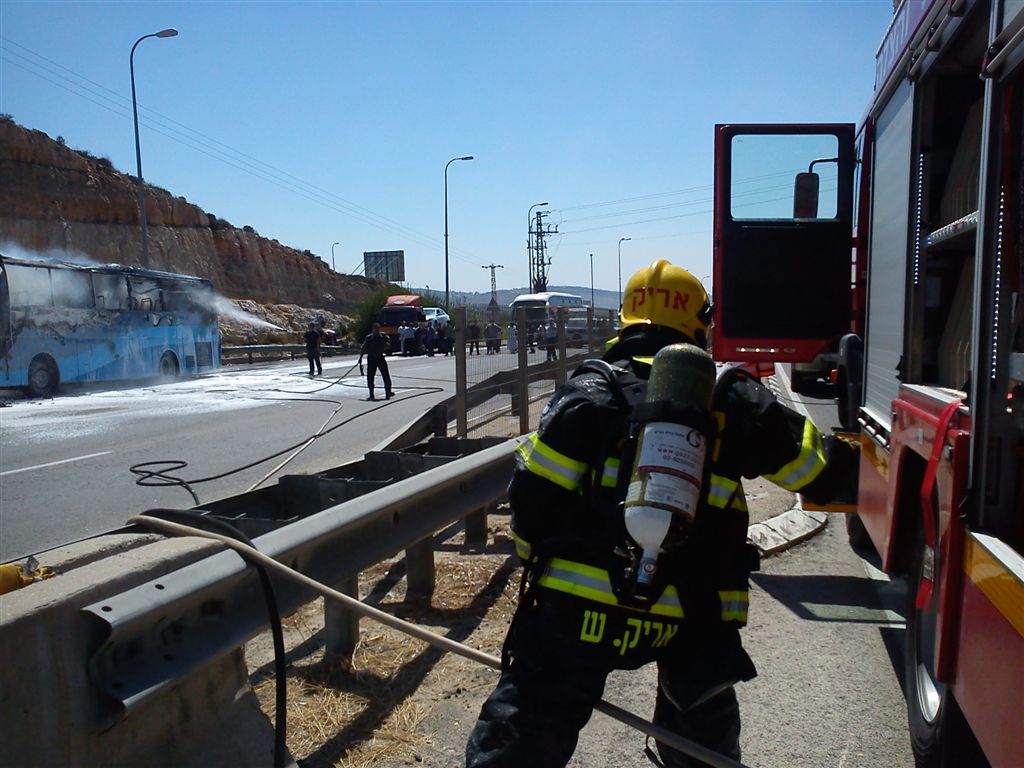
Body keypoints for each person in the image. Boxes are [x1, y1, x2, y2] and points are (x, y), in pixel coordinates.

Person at [465, 259, 859, 767]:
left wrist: (541, 565)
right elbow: (812, 470)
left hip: (574, 613)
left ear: (626, 321)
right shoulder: (730, 395)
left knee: (524, 731)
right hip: (691, 614)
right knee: (702, 743)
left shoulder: (589, 390)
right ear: (700, 324)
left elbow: (531, 500)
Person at [358, 322, 393, 401]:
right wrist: (360, 358)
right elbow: (363, 348)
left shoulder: (383, 336)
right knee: (370, 377)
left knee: (385, 375)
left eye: (378, 328)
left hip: (380, 357)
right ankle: (371, 394)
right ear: (373, 329)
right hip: (372, 358)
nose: (376, 330)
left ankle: (388, 392)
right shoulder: (370, 338)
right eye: (375, 328)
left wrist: (386, 346)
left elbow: (388, 344)